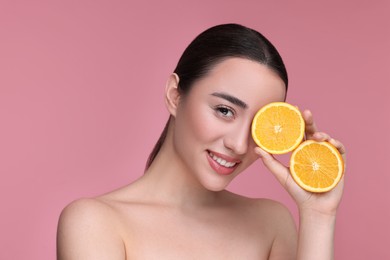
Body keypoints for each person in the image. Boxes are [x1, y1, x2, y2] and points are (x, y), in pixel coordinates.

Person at [57, 23, 346, 259]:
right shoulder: (95, 223)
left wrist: (319, 215)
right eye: (224, 110)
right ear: (175, 95)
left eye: (258, 125)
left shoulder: (271, 224)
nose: (239, 145)